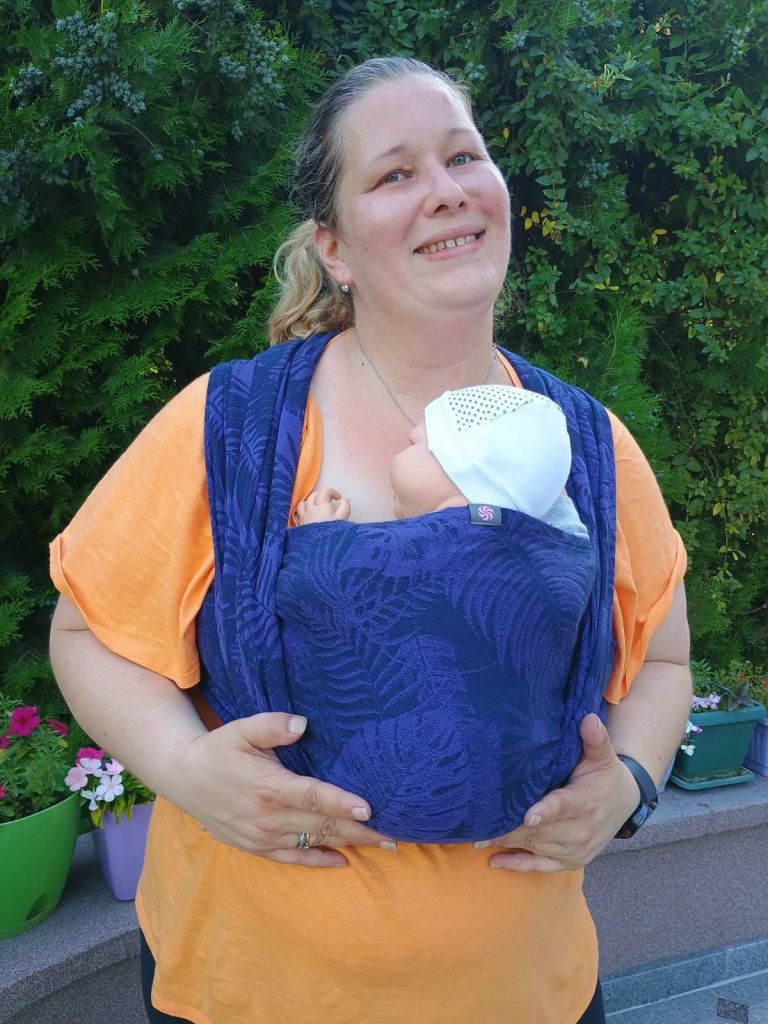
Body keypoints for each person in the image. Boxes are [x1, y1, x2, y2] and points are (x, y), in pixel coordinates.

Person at [49, 56, 691, 1024]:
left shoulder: (586, 441)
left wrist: (630, 784)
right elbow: (86, 634)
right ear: (335, 248)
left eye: (463, 157)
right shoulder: (234, 426)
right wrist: (184, 770)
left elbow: (665, 658)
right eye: (395, 173)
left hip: (523, 995)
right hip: (244, 992)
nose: (446, 190)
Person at [295, 382, 588, 534]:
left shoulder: (431, 553)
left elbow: (342, 593)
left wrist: (321, 536)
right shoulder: (543, 564)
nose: (407, 438)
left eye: (413, 443)